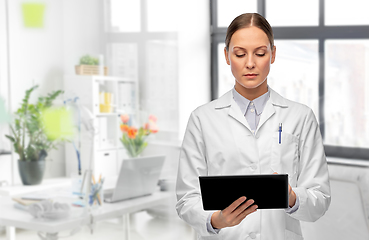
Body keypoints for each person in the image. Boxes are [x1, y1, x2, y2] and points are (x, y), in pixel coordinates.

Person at [176, 13, 331, 240]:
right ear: (227, 56)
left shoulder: (301, 117)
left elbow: (320, 197)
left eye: (260, 53)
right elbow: (186, 199)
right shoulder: (202, 119)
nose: (250, 63)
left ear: (273, 54)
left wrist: (291, 197)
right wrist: (216, 220)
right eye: (240, 54)